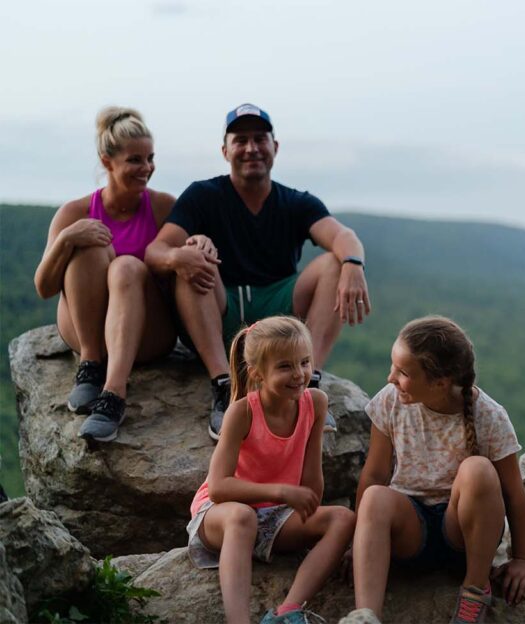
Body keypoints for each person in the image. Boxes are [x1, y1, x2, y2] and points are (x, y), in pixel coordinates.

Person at [144, 103, 371, 439]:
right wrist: (179, 257)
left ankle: (309, 383)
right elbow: (156, 251)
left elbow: (341, 235)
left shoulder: (296, 202)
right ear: (225, 151)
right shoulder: (203, 196)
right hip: (221, 310)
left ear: (274, 148)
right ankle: (224, 386)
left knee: (336, 263)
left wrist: (353, 264)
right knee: (192, 257)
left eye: (260, 139)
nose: (251, 148)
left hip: (279, 319)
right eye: (241, 140)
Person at [351, 316, 525, 624]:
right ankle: (366, 616)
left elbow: (514, 495)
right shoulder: (390, 402)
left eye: (402, 372)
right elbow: (374, 474)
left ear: (440, 383)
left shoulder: (489, 416)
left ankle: (475, 591)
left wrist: (522, 559)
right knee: (374, 496)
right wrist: (356, 543)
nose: (390, 378)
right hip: (410, 535)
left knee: (477, 470)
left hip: (464, 539)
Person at [186, 316, 356, 624]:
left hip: (276, 518)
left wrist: (301, 497)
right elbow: (220, 486)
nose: (299, 374)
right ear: (257, 373)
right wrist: (278, 491)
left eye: (305, 362)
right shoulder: (242, 411)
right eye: (285, 366)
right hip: (224, 515)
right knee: (242, 516)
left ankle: (288, 611)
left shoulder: (315, 403)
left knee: (343, 519)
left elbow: (312, 488)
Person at [34, 106, 177, 442]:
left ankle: (113, 394)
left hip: (145, 335)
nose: (146, 169)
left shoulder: (163, 207)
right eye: (135, 160)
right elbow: (44, 286)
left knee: (126, 266)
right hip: (89, 335)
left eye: (150, 158)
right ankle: (91, 365)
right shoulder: (75, 211)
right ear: (106, 161)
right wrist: (68, 239)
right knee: (89, 243)